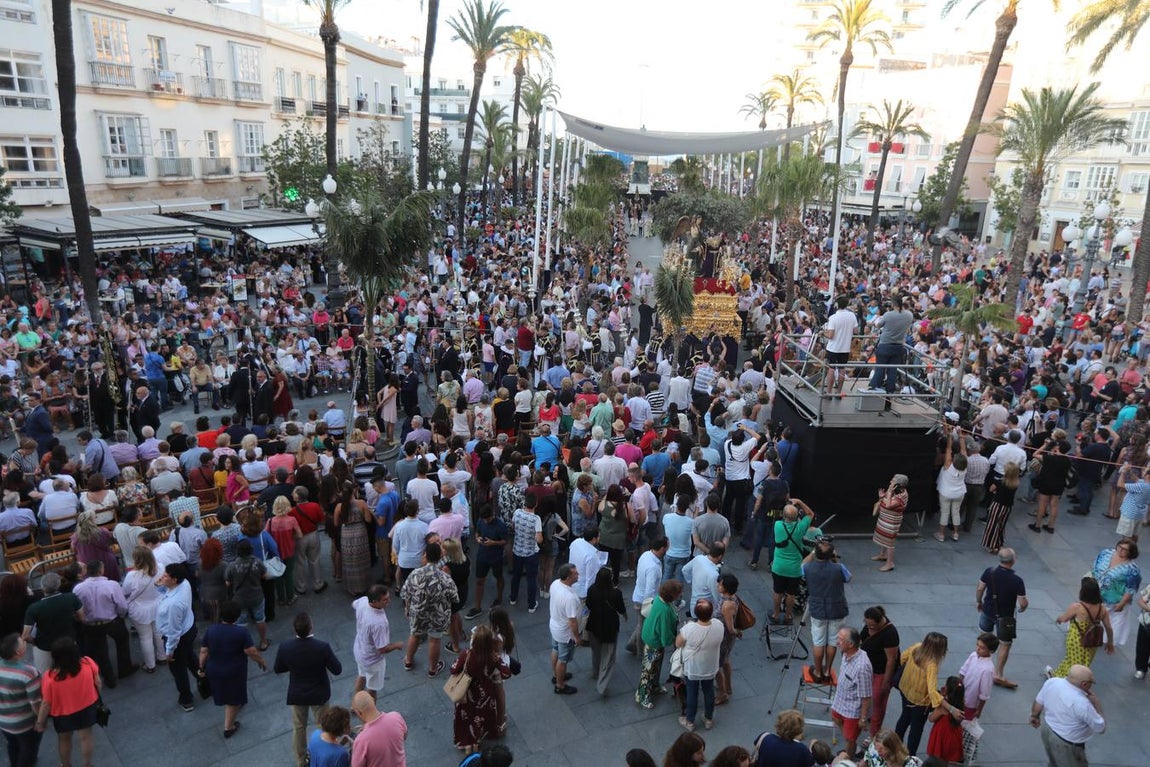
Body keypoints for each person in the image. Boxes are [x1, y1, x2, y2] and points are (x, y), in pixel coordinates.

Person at [274, 612, 344, 767]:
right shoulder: (322, 647)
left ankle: (301, 760)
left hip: (297, 694)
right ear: (311, 627)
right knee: (324, 726)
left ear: (295, 630)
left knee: (299, 727)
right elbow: (337, 669)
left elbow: (278, 668)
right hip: (319, 693)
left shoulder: (286, 647)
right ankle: (323, 755)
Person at [198, 600, 268, 738]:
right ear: (236, 616)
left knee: (226, 692)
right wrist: (261, 661)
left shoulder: (212, 630)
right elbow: (251, 651)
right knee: (233, 699)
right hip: (234, 671)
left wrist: (201, 667)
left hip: (214, 668)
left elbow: (204, 651)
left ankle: (235, 704)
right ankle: (229, 727)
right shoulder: (241, 632)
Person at [33, 638, 99, 767]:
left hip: (62, 713)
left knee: (64, 739)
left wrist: (40, 722)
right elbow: (98, 682)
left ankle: (66, 764)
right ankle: (87, 764)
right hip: (87, 706)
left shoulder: (50, 677)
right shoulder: (88, 663)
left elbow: (46, 703)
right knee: (86, 737)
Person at [72, 559, 136, 688]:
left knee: (101, 652)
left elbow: (76, 607)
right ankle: (124, 668)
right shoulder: (112, 585)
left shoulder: (78, 588)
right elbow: (122, 606)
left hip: (91, 625)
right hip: (111, 621)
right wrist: (120, 615)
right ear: (101, 570)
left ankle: (109, 678)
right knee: (122, 640)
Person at [450, 624, 511, 755]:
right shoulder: (493, 657)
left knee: (466, 718)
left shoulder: (466, 654)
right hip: (484, 694)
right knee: (479, 717)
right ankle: (476, 742)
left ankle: (467, 745)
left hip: (466, 693)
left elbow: (453, 669)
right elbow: (507, 673)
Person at [401, 541, 458, 678]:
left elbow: (405, 593)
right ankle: (433, 669)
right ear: (439, 557)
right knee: (435, 639)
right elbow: (454, 597)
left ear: (425, 555)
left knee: (415, 635)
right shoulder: (445, 577)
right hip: (438, 614)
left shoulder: (415, 574)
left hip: (418, 612)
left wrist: (407, 609)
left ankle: (408, 661)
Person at [1030, 665, 1105, 767]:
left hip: (1047, 730)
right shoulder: (1082, 703)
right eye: (1092, 683)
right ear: (1085, 684)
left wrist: (1034, 716)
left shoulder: (1052, 682)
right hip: (1067, 743)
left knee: (1054, 762)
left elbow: (1038, 701)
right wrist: (1096, 703)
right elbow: (1100, 727)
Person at [976, 547, 1028, 689]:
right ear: (1013, 561)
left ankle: (979, 665)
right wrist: (1023, 608)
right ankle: (998, 674)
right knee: (1005, 644)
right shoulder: (1017, 580)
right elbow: (1022, 602)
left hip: (987, 610)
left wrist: (979, 601)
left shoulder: (989, 572)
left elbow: (980, 588)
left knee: (984, 638)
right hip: (1005, 617)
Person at [803, 537, 850, 683]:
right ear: (831, 554)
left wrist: (811, 554)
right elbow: (848, 578)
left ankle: (817, 672)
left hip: (818, 610)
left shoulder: (808, 567)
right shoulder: (838, 567)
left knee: (818, 641)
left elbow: (801, 568)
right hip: (837, 608)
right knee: (832, 642)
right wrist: (834, 559)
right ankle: (828, 670)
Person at [894, 632, 948, 756]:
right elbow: (932, 690)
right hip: (920, 702)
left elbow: (902, 658)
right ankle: (910, 756)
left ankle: (895, 746)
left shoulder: (916, 647)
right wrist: (947, 705)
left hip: (905, 690)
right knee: (916, 730)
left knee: (904, 718)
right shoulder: (932, 665)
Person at [1048, 577, 1114, 679]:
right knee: (1084, 663)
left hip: (1076, 641)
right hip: (1092, 642)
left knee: (1072, 662)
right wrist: (1110, 643)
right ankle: (1064, 677)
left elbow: (1064, 618)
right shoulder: (1102, 609)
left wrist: (1059, 619)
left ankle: (1064, 680)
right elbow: (1109, 628)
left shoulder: (1078, 607)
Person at [676, 598, 725, 733]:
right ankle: (708, 718)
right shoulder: (718, 625)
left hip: (693, 668)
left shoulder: (689, 628)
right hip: (710, 666)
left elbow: (678, 643)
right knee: (709, 691)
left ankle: (690, 721)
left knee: (692, 693)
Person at [156, 563, 199, 712]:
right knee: (191, 658)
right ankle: (205, 680)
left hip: (178, 637)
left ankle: (187, 699)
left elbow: (174, 631)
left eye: (165, 576)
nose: (162, 577)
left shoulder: (174, 604)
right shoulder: (184, 583)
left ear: (174, 579)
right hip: (189, 628)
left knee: (179, 670)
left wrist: (169, 651)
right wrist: (160, 585)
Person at [21, 572, 83, 673]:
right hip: (69, 642)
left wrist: (35, 642)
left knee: (46, 674)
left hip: (45, 647)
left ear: (42, 587)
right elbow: (82, 617)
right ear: (58, 585)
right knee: (72, 671)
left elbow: (25, 636)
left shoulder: (34, 608)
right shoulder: (71, 597)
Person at [635, 579, 681, 710]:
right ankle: (642, 696)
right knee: (648, 670)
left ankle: (654, 686)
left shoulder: (660, 600)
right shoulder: (665, 609)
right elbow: (665, 630)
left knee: (655, 666)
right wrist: (673, 641)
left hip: (652, 638)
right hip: (654, 642)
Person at [353, 585, 404, 701]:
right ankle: (371, 714)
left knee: (361, 675)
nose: (389, 601)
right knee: (372, 688)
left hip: (359, 650)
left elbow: (354, 605)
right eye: (385, 600)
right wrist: (397, 645)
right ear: (375, 602)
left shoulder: (363, 601)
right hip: (372, 660)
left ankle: (355, 704)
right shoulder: (379, 623)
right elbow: (382, 649)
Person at [0, 633, 43, 767]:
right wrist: (41, 720)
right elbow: (35, 702)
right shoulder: (28, 672)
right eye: (22, 642)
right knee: (28, 750)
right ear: (19, 652)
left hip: (4, 722)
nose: (25, 642)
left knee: (12, 745)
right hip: (24, 723)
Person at [120, 547, 165, 673]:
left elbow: (125, 592)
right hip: (158, 604)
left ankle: (150, 665)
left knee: (145, 638)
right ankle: (162, 657)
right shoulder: (160, 567)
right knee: (159, 633)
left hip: (140, 609)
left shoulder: (132, 575)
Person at [830, 626, 872, 758]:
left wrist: (863, 718)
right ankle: (853, 744)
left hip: (853, 709)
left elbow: (866, 696)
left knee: (850, 739)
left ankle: (848, 758)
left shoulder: (862, 667)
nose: (837, 642)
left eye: (840, 640)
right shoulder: (846, 653)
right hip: (841, 700)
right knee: (835, 718)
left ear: (850, 644)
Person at [1091, 538, 1141, 647]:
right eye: (1120, 547)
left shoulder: (1132, 569)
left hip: (1114, 600)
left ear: (1131, 552)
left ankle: (1107, 641)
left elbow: (1131, 588)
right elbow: (1095, 565)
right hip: (1095, 594)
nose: (1121, 550)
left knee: (1112, 621)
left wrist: (1122, 603)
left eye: (1125, 549)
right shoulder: (1106, 553)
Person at [584, 567, 626, 697]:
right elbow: (621, 609)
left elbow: (589, 605)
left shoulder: (591, 590)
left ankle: (596, 672)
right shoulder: (616, 593)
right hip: (610, 627)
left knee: (596, 651)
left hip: (593, 625)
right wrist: (625, 616)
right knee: (608, 656)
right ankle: (602, 684)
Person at [859, 605, 900, 736]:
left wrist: (886, 682)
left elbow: (891, 660)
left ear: (879, 621)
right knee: (867, 701)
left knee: (878, 705)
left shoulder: (890, 633)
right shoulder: (869, 625)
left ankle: (874, 737)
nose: (869, 628)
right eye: (867, 624)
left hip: (881, 673)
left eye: (871, 626)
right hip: (868, 671)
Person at [771, 499, 814, 622]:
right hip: (794, 568)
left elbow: (782, 516)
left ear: (783, 516)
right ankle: (788, 615)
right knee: (791, 593)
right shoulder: (800, 528)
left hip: (779, 566)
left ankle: (775, 614)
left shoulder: (777, 526)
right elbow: (810, 514)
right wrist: (800, 502)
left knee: (777, 592)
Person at [225, 540, 270, 651]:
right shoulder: (257, 562)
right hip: (257, 596)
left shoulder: (232, 566)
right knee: (260, 619)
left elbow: (227, 583)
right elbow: (266, 576)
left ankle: (244, 645)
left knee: (241, 623)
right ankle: (263, 642)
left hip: (239, 599)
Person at [866, 295, 914, 394]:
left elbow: (879, 325)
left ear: (893, 304)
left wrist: (874, 323)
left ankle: (874, 386)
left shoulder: (888, 315)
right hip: (898, 346)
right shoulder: (909, 315)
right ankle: (889, 392)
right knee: (892, 371)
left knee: (880, 368)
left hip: (885, 345)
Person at [626, 536, 665, 655]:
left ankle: (632, 644)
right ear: (662, 548)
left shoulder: (646, 555)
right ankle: (640, 650)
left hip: (639, 596)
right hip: (645, 601)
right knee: (644, 626)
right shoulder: (653, 567)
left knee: (641, 622)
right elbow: (649, 590)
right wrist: (650, 606)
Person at [467, 505, 508, 620]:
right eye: (484, 519)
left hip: (496, 557)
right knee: (479, 580)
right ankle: (477, 607)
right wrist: (477, 538)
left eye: (488, 519)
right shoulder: (481, 521)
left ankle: (499, 599)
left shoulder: (501, 525)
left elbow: (505, 541)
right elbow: (477, 532)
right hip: (482, 556)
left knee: (499, 577)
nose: (486, 521)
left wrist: (493, 542)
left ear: (492, 515)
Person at [350, 691, 407, 767]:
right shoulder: (396, 717)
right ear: (373, 700)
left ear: (359, 712)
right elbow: (404, 736)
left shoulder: (361, 741)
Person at [548, 563, 581, 695]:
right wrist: (577, 637)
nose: (578, 574)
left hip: (555, 625)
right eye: (575, 573)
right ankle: (560, 685)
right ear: (568, 577)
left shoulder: (555, 584)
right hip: (565, 633)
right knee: (563, 659)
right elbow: (572, 621)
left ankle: (556, 676)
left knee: (555, 649)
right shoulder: (570, 597)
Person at [957, 632, 999, 721]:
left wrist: (979, 709)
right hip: (960, 695)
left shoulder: (988, 669)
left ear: (991, 651)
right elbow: (963, 671)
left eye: (982, 648)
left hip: (970, 702)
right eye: (977, 645)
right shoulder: (973, 655)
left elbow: (984, 693)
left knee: (964, 722)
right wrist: (958, 685)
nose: (978, 649)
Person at [871, 474, 908, 572]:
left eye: (892, 481)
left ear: (898, 484)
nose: (890, 483)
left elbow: (888, 505)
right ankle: (882, 555)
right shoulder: (893, 490)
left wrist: (889, 492)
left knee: (889, 543)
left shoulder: (902, 496)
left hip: (892, 522)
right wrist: (882, 496)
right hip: (884, 519)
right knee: (884, 538)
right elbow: (885, 499)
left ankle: (890, 563)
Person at [981, 461, 1020, 554]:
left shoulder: (1000, 482)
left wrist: (996, 492)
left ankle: (991, 545)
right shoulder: (1016, 483)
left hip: (997, 505)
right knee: (1001, 525)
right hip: (1007, 507)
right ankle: (999, 543)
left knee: (992, 525)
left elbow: (991, 489)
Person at [925, 676, 965, 764]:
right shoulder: (961, 706)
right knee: (948, 758)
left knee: (939, 758)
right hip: (953, 737)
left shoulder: (943, 707)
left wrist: (941, 698)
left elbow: (931, 718)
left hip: (941, 736)